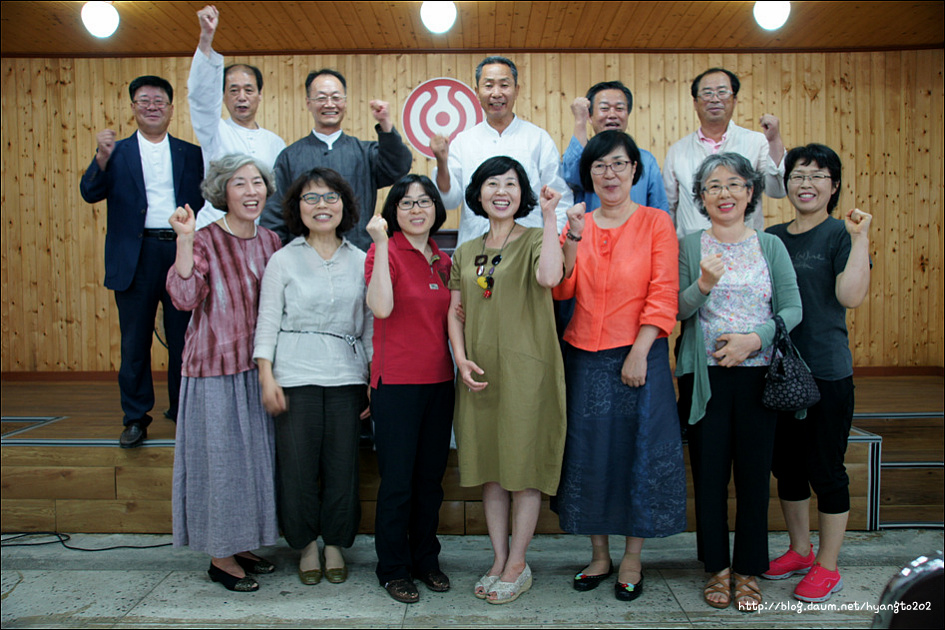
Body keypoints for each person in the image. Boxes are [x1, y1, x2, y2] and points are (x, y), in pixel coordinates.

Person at [552, 131, 686, 602]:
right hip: (583, 356)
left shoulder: (655, 222)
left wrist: (639, 349)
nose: (609, 174)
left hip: (639, 355)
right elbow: (562, 291)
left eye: (619, 164)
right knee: (590, 455)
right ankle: (599, 554)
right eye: (600, 166)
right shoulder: (578, 223)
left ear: (635, 170)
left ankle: (632, 557)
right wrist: (570, 237)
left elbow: (664, 290)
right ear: (588, 174)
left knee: (639, 454)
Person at [675, 153, 801, 612]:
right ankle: (717, 569)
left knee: (752, 478)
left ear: (750, 192)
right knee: (709, 479)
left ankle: (748, 570)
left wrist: (753, 339)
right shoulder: (690, 246)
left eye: (733, 184)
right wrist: (703, 285)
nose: (723, 193)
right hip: (705, 380)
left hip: (758, 378)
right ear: (701, 198)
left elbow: (791, 309)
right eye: (713, 186)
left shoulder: (769, 246)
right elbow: (678, 310)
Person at [448, 156, 566, 604]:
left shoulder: (537, 238)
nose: (502, 191)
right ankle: (499, 558)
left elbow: (550, 276)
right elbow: (454, 311)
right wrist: (459, 358)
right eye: (492, 183)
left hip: (527, 372)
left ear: (523, 195)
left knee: (523, 472)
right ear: (478, 193)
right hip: (480, 374)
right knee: (492, 473)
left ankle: (519, 562)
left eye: (511, 184)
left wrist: (552, 216)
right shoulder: (466, 251)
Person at [166, 155, 282, 592]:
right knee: (221, 467)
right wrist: (184, 239)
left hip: (259, 370)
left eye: (257, 183)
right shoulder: (206, 240)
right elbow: (184, 295)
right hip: (214, 369)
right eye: (239, 184)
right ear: (222, 192)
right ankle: (219, 556)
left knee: (253, 465)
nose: (251, 191)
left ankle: (241, 544)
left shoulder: (271, 241)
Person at [254, 167, 373, 587]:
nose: (322, 205)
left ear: (345, 205)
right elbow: (267, 322)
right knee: (298, 467)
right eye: (311, 198)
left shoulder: (362, 260)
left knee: (342, 466)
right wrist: (266, 377)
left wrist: (373, 381)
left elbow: (370, 327)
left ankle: (337, 543)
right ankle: (305, 544)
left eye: (330, 197)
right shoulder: (283, 258)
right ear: (296, 208)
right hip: (294, 373)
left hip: (346, 374)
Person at [764, 144, 872, 603]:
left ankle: (828, 567)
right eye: (797, 175)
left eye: (816, 175)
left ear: (833, 184)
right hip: (777, 371)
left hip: (826, 372)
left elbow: (849, 297)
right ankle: (800, 550)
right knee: (786, 468)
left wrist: (862, 237)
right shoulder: (771, 236)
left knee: (825, 471)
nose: (805, 183)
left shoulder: (840, 234)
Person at [79, 75, 204, 448]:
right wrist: (100, 158)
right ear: (133, 107)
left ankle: (184, 412)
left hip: (180, 251)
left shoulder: (190, 153)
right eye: (144, 100)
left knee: (185, 339)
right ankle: (135, 417)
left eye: (159, 101)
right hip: (134, 256)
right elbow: (90, 193)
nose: (152, 106)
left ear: (170, 108)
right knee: (135, 342)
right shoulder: (115, 152)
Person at [364, 175, 454, 604]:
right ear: (393, 213)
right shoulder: (385, 252)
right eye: (406, 203)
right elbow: (380, 307)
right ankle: (393, 568)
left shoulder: (443, 260)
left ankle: (426, 560)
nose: (416, 210)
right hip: (396, 385)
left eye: (424, 202)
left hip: (440, 383)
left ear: (436, 209)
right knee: (398, 483)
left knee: (429, 482)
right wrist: (382, 244)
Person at [259, 69, 412, 249]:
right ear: (308, 103)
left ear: (345, 102)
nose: (329, 104)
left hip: (358, 254)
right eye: (321, 98)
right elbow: (275, 214)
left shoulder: (365, 152)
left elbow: (397, 168)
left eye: (336, 97)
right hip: (303, 258)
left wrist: (386, 124)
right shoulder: (290, 156)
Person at [431, 56, 573, 246]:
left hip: (529, 249)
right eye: (488, 86)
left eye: (504, 85)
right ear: (477, 92)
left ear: (516, 91)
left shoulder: (538, 138)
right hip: (475, 249)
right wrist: (441, 163)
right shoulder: (463, 142)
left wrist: (553, 244)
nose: (496, 93)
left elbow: (560, 198)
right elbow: (450, 201)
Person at [188, 5, 286, 229]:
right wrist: (206, 40)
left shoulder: (275, 142)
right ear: (223, 96)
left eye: (248, 90)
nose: (241, 97)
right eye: (233, 90)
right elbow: (201, 98)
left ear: (260, 95)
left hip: (262, 231)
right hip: (216, 227)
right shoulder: (214, 130)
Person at [663, 68, 786, 239]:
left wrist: (774, 141)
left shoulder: (757, 142)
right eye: (707, 93)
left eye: (722, 92)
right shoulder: (678, 150)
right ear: (695, 103)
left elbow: (777, 190)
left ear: (734, 100)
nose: (715, 99)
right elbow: (668, 207)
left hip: (745, 248)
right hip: (692, 249)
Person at [561, 81, 668, 213]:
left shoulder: (646, 160)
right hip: (591, 232)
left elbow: (660, 209)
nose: (612, 115)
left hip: (637, 232)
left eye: (619, 108)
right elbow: (572, 175)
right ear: (590, 116)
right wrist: (580, 121)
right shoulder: (585, 157)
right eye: (604, 109)